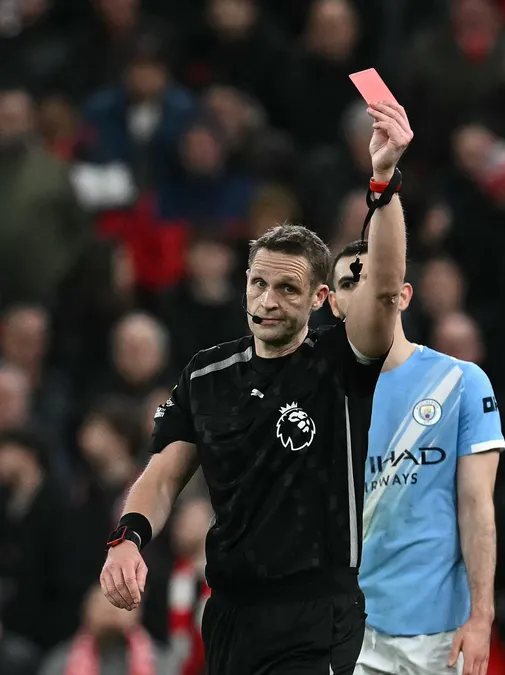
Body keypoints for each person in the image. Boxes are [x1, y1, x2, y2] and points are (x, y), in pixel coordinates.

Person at [98, 99, 415, 674]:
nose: (269, 301)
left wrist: (383, 181)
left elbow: (386, 287)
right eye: (258, 285)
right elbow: (164, 475)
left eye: (288, 291)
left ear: (321, 299)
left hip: (319, 613)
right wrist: (128, 538)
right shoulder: (206, 372)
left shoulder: (341, 361)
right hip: (229, 614)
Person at [328, 242, 505, 675]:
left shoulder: (461, 381)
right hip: (342, 628)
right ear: (332, 303)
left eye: (374, 280)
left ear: (403, 294)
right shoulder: (314, 395)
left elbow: (477, 506)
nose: (363, 292)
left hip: (438, 632)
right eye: (350, 283)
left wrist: (482, 616)